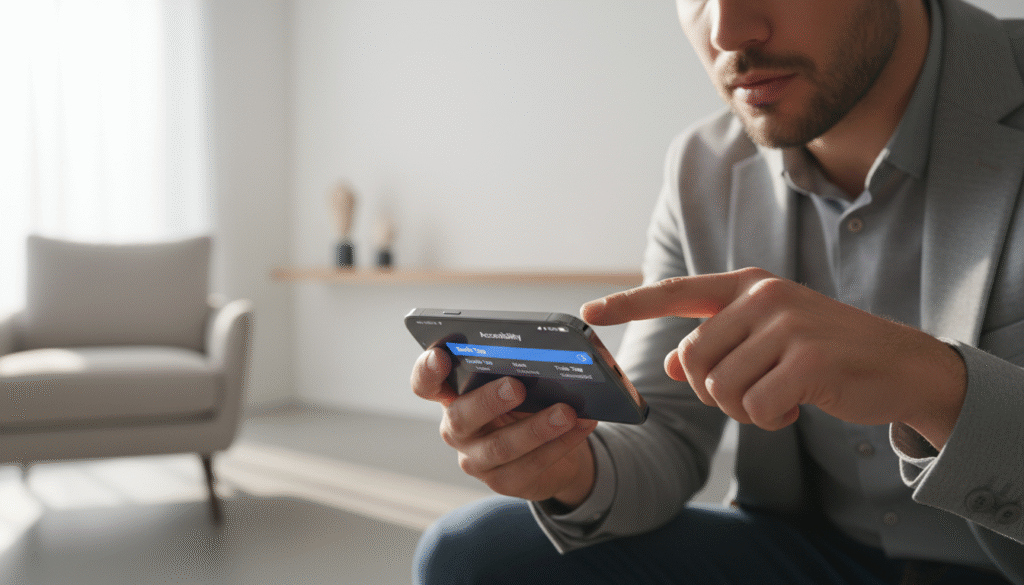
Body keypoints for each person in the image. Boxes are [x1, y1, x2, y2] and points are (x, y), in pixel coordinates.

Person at [409, 0, 1024, 583]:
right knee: (472, 553)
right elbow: (660, 429)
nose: (726, 30)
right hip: (822, 556)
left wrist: (932, 384)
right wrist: (569, 464)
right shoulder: (702, 166)